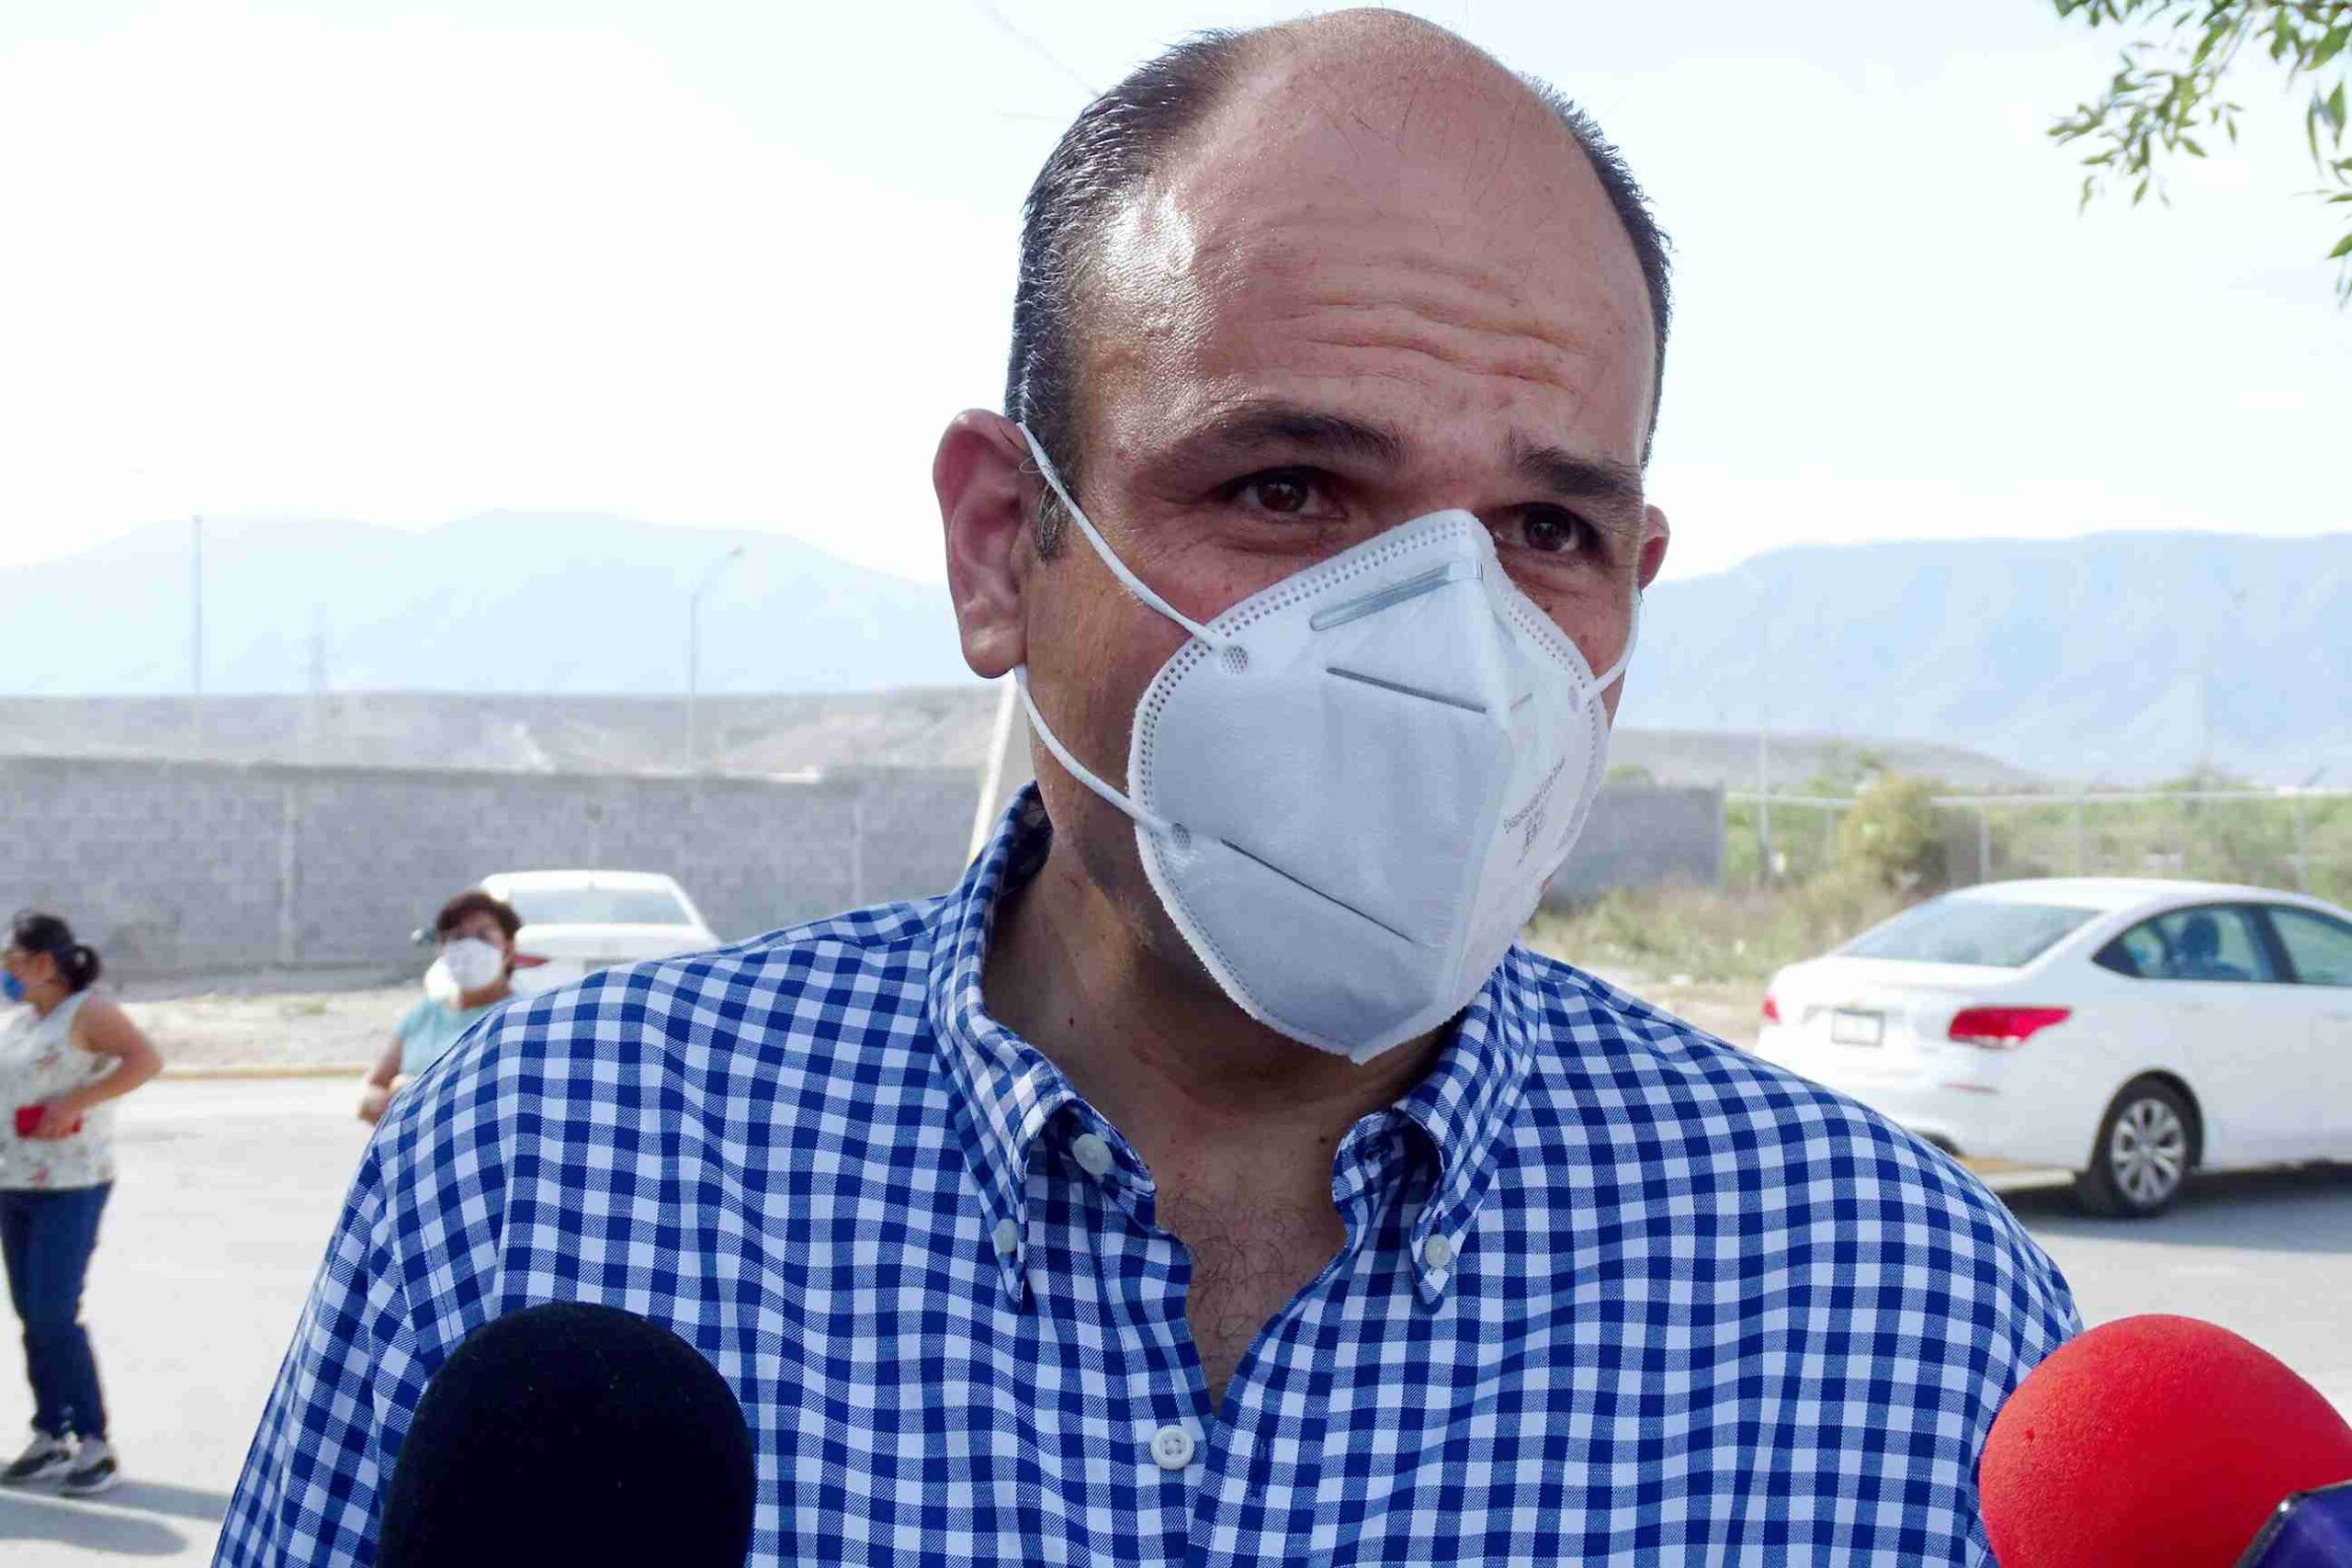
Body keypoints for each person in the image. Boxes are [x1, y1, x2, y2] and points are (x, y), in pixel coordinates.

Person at [220, 14, 2078, 1563]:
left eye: (1543, 528)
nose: (1445, 646)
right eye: (1286, 489)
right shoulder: (553, 1175)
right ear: (999, 544)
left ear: (1633, 583)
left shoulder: (1903, 1322)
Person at [0, 911, 163, 1498]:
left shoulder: (88, 1012)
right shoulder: (21, 1022)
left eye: (12, 961)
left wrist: (75, 1102)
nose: (5, 972)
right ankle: (50, 1434)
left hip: (71, 1184)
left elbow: (145, 1061)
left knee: (53, 1312)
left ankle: (95, 1442)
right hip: (14, 1182)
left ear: (45, 963)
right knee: (31, 1315)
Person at [356, 891, 521, 1125]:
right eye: (457, 937)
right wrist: (375, 1100)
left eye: (483, 935)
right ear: (442, 949)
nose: (469, 947)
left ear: (508, 948)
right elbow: (375, 1083)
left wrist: (412, 1094)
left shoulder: (521, 1017)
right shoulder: (425, 1013)